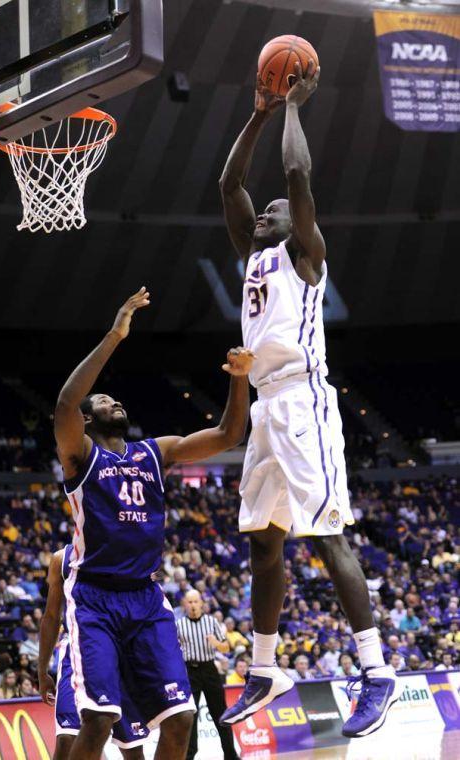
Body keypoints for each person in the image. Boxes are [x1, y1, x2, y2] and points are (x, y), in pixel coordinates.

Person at [218, 63, 399, 737]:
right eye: (262, 214)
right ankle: (265, 669)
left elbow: (295, 178)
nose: (263, 210)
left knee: (325, 538)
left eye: (275, 211)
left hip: (302, 404)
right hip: (264, 408)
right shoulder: (254, 257)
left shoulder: (304, 255)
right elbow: (229, 183)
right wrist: (259, 112)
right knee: (264, 546)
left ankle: (376, 672)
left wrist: (293, 107)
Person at [52, 287, 253, 760]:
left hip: (145, 597)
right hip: (95, 598)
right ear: (87, 418)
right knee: (100, 719)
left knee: (181, 720)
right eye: (103, 400)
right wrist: (116, 334)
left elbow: (228, 434)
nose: (113, 402)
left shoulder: (154, 451)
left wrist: (240, 380)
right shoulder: (79, 453)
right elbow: (64, 403)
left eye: (116, 398)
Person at [39, 546, 148, 760]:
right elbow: (51, 616)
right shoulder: (61, 559)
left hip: (122, 651)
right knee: (66, 740)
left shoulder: (129, 549)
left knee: (132, 747)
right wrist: (42, 670)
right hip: (78, 649)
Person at [176, 590, 238, 760]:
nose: (193, 605)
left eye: (196, 601)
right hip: (189, 672)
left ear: (201, 603)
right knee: (190, 716)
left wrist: (216, 643)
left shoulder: (211, 622)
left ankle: (230, 755)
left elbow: (226, 647)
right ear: (185, 604)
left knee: (220, 713)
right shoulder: (179, 624)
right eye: (189, 602)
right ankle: (189, 755)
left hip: (209, 669)